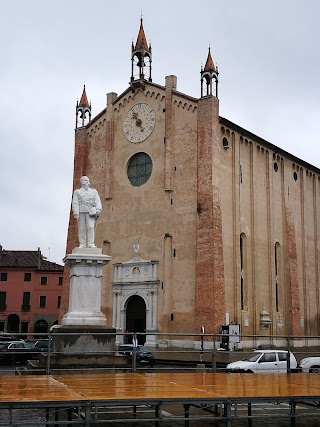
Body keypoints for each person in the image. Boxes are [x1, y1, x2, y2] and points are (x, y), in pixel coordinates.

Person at [72, 176, 102, 248]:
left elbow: (98, 201)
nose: (87, 182)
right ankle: (82, 243)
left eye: (87, 180)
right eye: (85, 180)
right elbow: (75, 202)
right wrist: (76, 212)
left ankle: (91, 243)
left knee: (91, 227)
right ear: (82, 182)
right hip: (81, 211)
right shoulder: (77, 192)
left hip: (91, 212)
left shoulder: (94, 191)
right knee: (81, 228)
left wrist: (98, 209)